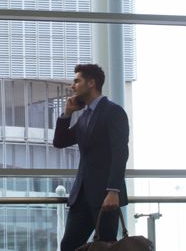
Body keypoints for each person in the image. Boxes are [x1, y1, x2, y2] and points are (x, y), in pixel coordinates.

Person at [53, 63, 129, 251]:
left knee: (104, 247)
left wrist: (113, 191)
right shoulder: (84, 117)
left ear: (91, 83)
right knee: (68, 246)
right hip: (81, 197)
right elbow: (60, 141)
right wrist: (67, 113)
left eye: (77, 81)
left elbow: (120, 152)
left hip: (105, 197)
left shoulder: (113, 112)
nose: (72, 86)